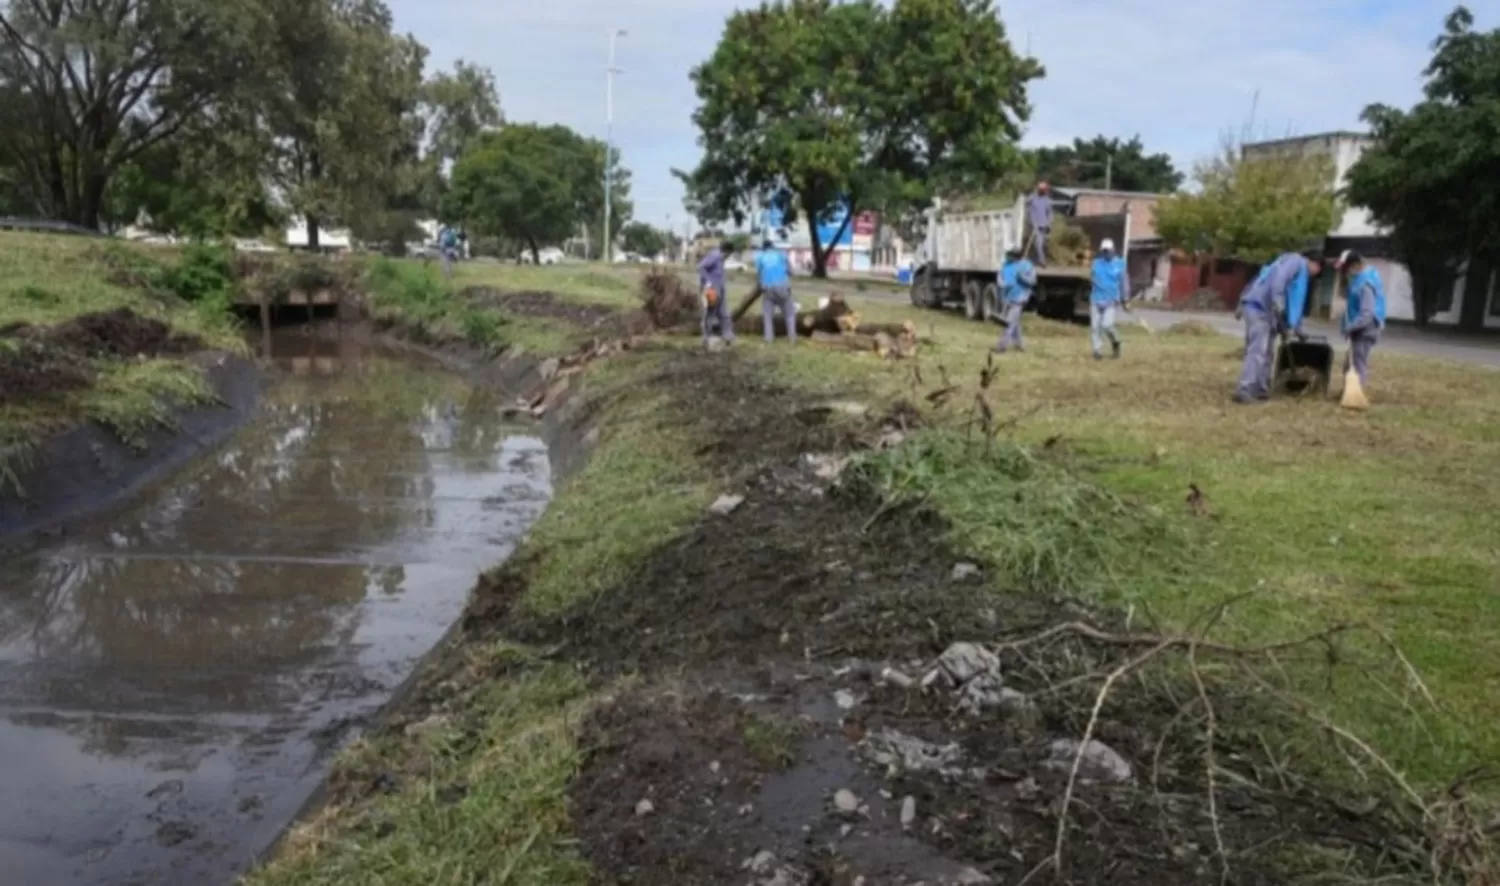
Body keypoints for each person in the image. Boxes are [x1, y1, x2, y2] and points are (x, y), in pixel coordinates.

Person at [1233, 249, 1323, 404]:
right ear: (1314, 263)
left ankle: (1261, 390)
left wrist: (1294, 328)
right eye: (1317, 271)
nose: (1313, 275)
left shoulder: (1293, 269)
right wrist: (1278, 304)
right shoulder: (1295, 261)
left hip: (1266, 312)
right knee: (1258, 350)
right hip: (1259, 309)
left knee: (1267, 352)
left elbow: (1293, 303)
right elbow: (1278, 281)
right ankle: (1245, 389)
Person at [1336, 250, 1385, 388]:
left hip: (1366, 329)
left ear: (1356, 265)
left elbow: (1366, 313)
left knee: (1358, 364)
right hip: (1360, 327)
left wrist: (1350, 328)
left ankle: (1356, 394)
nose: (1345, 273)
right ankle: (1348, 391)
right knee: (1349, 364)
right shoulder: (1361, 278)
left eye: (1347, 269)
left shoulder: (1365, 284)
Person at [1089, 238, 1127, 360]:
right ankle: (1097, 350)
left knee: (1107, 325)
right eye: (1104, 251)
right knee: (1095, 327)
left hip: (1111, 300)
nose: (1106, 253)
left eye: (1108, 250)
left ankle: (1116, 342)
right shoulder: (1097, 263)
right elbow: (1092, 276)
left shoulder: (1120, 264)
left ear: (1113, 250)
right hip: (1096, 299)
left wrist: (1124, 298)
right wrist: (1093, 280)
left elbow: (1123, 282)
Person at [995, 247, 1036, 353]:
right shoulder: (1006, 264)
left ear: (1017, 256)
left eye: (1011, 255)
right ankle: (1020, 345)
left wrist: (1021, 277)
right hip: (1008, 296)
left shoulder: (1026, 266)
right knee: (1015, 322)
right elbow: (1000, 276)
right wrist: (1001, 282)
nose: (1008, 257)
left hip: (1020, 297)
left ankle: (1001, 346)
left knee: (1009, 322)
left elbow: (1032, 281)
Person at [755, 240, 797, 343]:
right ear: (773, 247)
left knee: (768, 315)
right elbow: (791, 272)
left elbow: (759, 274)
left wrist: (761, 284)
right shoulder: (781, 255)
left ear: (763, 248)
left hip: (767, 287)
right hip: (782, 286)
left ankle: (768, 338)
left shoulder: (760, 257)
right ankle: (792, 338)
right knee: (789, 313)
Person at [697, 240, 737, 346]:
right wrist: (708, 281)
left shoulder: (721, 259)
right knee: (710, 314)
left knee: (724, 313)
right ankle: (707, 337)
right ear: (727, 252)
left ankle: (728, 336)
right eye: (730, 254)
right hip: (711, 290)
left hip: (720, 288)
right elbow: (701, 267)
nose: (729, 256)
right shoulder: (714, 256)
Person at [1026, 181, 1053, 266]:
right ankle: (1042, 261)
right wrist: (1031, 222)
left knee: (1042, 244)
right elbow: (1028, 210)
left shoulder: (1047, 200)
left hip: (1044, 226)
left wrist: (1049, 223)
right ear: (1039, 189)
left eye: (1045, 190)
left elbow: (1050, 213)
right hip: (1035, 225)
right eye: (1042, 190)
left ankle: (1036, 259)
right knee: (1038, 243)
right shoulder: (1032, 198)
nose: (1044, 191)